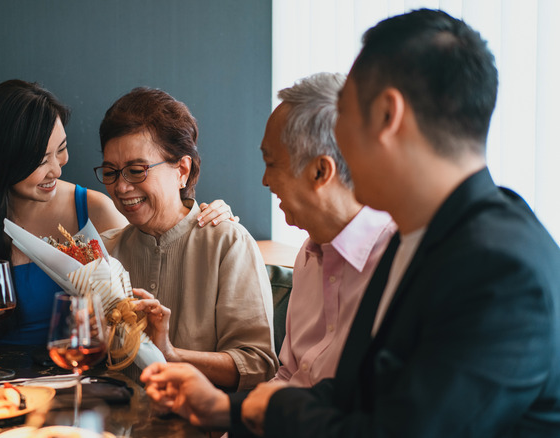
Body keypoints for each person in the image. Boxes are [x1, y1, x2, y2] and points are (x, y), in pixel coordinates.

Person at [141, 9, 560, 437]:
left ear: (386, 115)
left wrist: (274, 409)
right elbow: (354, 395)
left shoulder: (501, 269)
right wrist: (227, 410)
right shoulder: (418, 237)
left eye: (343, 113)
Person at [0, 79, 235, 348]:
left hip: (78, 377)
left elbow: (155, 250)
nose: (58, 168)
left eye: (61, 149)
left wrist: (202, 212)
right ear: (0, 161)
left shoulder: (94, 210)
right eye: (40, 160)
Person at [97, 87, 279, 391]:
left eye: (136, 170)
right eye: (111, 172)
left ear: (182, 170)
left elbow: (258, 366)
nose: (121, 186)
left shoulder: (228, 243)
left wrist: (171, 353)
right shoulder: (104, 251)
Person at [261, 72, 396, 388]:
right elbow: (289, 375)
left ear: (320, 171)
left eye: (271, 163)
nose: (265, 181)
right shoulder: (308, 255)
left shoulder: (398, 260)